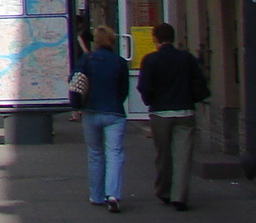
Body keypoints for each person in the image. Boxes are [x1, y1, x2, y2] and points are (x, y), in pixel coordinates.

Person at [137, 21, 210, 211]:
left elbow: (144, 87)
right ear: (173, 38)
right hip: (185, 111)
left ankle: (164, 191)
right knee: (183, 155)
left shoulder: (150, 60)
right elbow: (200, 81)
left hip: (161, 113)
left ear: (155, 38)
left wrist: (150, 100)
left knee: (164, 154)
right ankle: (180, 196)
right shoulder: (186, 58)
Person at [73, 26, 130, 212]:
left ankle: (96, 195)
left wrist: (79, 104)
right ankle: (112, 195)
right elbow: (124, 90)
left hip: (91, 111)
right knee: (114, 154)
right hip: (114, 112)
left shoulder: (87, 59)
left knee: (95, 154)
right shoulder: (120, 62)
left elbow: (75, 80)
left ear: (96, 41)